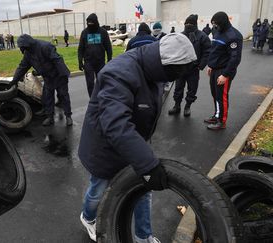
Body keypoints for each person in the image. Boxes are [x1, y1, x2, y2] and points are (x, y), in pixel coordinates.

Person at [78, 33, 197, 243]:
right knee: (98, 189)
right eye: (175, 71)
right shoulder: (119, 73)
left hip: (132, 143)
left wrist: (143, 158)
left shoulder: (155, 71)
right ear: (164, 64)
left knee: (144, 190)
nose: (176, 77)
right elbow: (115, 124)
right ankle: (87, 218)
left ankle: (143, 236)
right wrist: (147, 163)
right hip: (103, 147)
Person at [9, 34, 73, 126]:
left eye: (23, 47)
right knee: (48, 97)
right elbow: (22, 67)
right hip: (47, 77)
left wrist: (64, 74)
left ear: (28, 44)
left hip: (58, 75)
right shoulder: (28, 53)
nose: (22, 49)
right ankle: (50, 117)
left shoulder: (45, 46)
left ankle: (68, 116)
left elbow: (57, 60)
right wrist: (14, 80)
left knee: (63, 96)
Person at [205, 11, 243, 130]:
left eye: (216, 24)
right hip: (215, 69)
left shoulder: (233, 36)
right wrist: (210, 65)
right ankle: (217, 115)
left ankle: (222, 121)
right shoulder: (217, 32)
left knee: (222, 96)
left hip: (224, 71)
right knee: (215, 95)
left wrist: (225, 75)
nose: (214, 26)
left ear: (223, 23)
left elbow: (235, 58)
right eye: (213, 24)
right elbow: (215, 50)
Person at [169, 14, 211, 116]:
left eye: (190, 24)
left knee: (192, 89)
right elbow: (173, 49)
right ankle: (177, 105)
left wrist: (200, 65)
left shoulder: (202, 36)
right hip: (181, 68)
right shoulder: (180, 36)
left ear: (195, 24)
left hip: (193, 69)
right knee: (178, 88)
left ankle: (187, 106)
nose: (188, 25)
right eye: (186, 23)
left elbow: (207, 52)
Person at [78, 13, 112, 97]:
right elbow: (81, 48)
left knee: (101, 81)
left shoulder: (103, 32)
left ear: (96, 22)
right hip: (88, 62)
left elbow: (108, 46)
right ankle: (92, 99)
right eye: (88, 23)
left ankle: (102, 97)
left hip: (100, 62)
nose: (90, 25)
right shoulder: (85, 32)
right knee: (90, 83)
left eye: (91, 23)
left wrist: (109, 59)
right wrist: (80, 61)